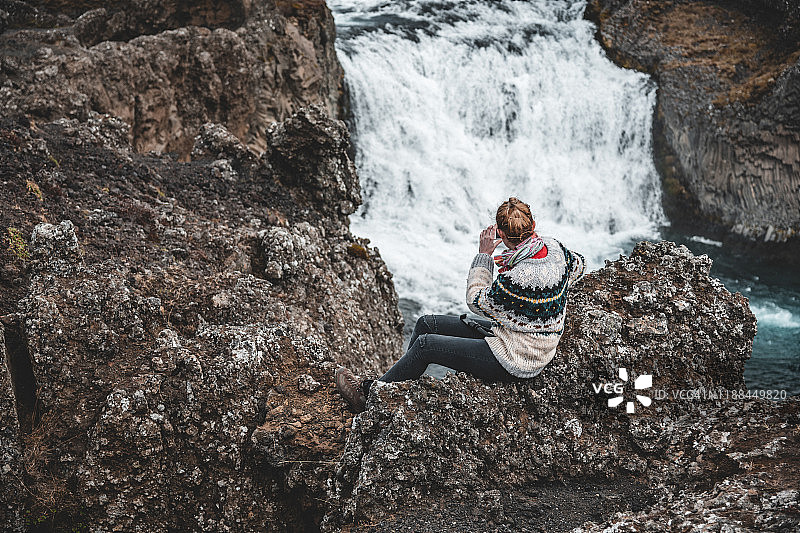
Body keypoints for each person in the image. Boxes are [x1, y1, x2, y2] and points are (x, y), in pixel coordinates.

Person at [335, 197, 585, 412]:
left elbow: (476, 301)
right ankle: (396, 389)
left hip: (517, 357)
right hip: (514, 335)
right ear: (533, 225)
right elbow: (580, 265)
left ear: (501, 234)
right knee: (425, 323)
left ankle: (369, 398)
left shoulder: (515, 279)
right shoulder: (555, 249)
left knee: (425, 346)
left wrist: (484, 255)